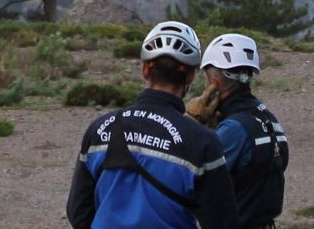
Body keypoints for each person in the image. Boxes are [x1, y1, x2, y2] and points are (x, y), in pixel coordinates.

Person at [66, 21, 239, 228]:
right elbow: (222, 222)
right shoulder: (203, 142)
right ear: (191, 76)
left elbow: (78, 212)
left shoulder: (99, 129)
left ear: (145, 70)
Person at [188, 33, 288, 228]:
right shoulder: (270, 120)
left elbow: (189, 176)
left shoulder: (233, 129)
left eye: (206, 77)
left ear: (215, 82)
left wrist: (192, 123)